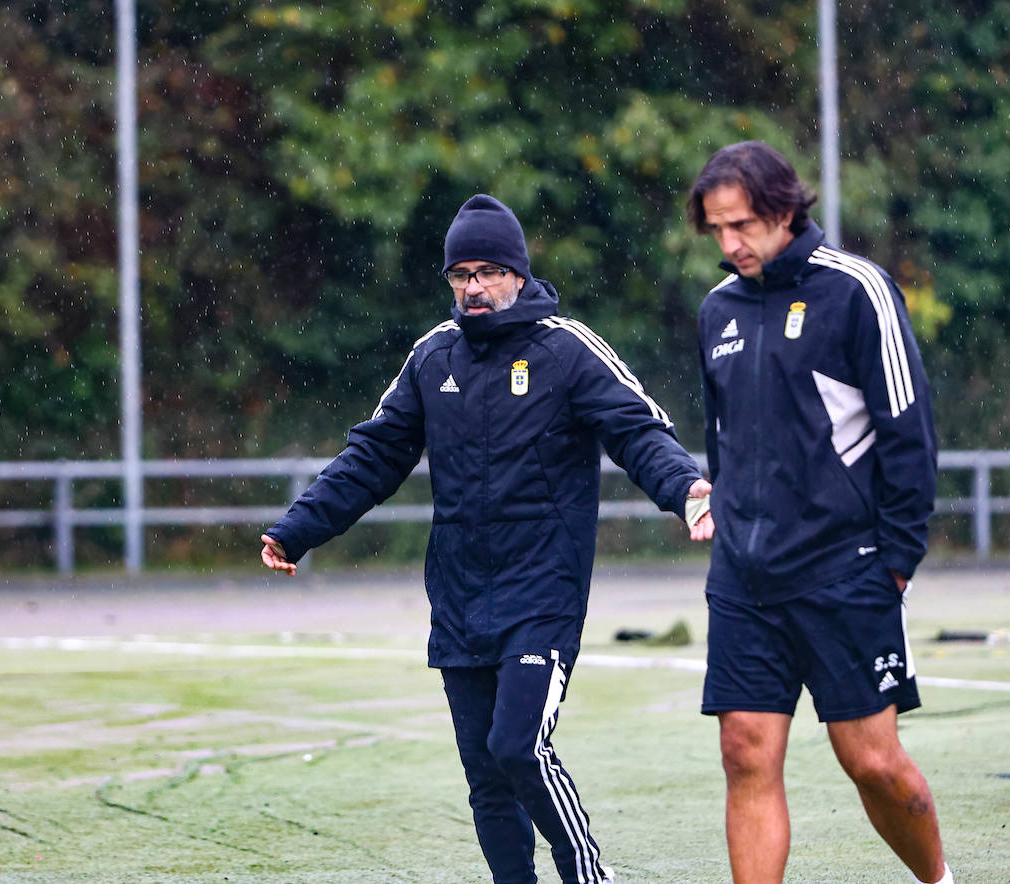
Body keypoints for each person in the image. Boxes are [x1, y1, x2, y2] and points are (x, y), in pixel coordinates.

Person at [260, 193, 712, 884]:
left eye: (488, 272)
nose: (473, 287)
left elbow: (637, 429)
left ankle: (589, 875)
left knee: (519, 748)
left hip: (543, 593)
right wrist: (298, 529)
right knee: (485, 774)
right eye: (460, 274)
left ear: (519, 276)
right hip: (460, 595)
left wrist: (684, 490)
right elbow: (374, 455)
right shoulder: (431, 358)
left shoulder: (568, 349)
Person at [685, 141, 952, 884]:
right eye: (716, 230)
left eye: (741, 225)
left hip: (846, 573)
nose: (729, 244)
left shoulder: (857, 291)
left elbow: (910, 435)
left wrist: (896, 564)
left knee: (870, 761)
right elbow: (725, 436)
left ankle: (939, 881)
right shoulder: (718, 311)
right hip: (743, 580)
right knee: (745, 750)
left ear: (783, 209)